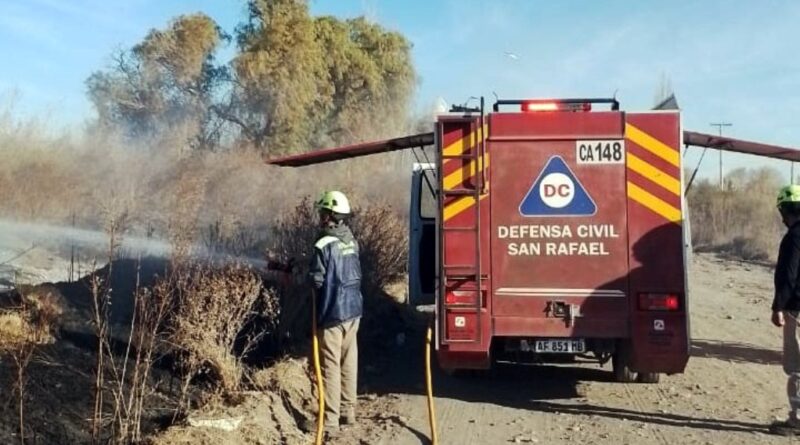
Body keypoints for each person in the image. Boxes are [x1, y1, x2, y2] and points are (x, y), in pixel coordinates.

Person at [308, 190, 363, 433]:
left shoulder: (323, 244)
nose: (320, 216)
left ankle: (329, 421)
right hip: (354, 310)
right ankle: (348, 412)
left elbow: (317, 280)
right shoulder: (351, 240)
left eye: (323, 212)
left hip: (333, 312)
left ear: (330, 215)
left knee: (330, 366)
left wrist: (303, 276)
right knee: (349, 360)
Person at [771, 184, 800, 436]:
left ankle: (797, 420)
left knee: (797, 366)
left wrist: (778, 306)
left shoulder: (794, 238)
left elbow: (788, 276)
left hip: (796, 309)